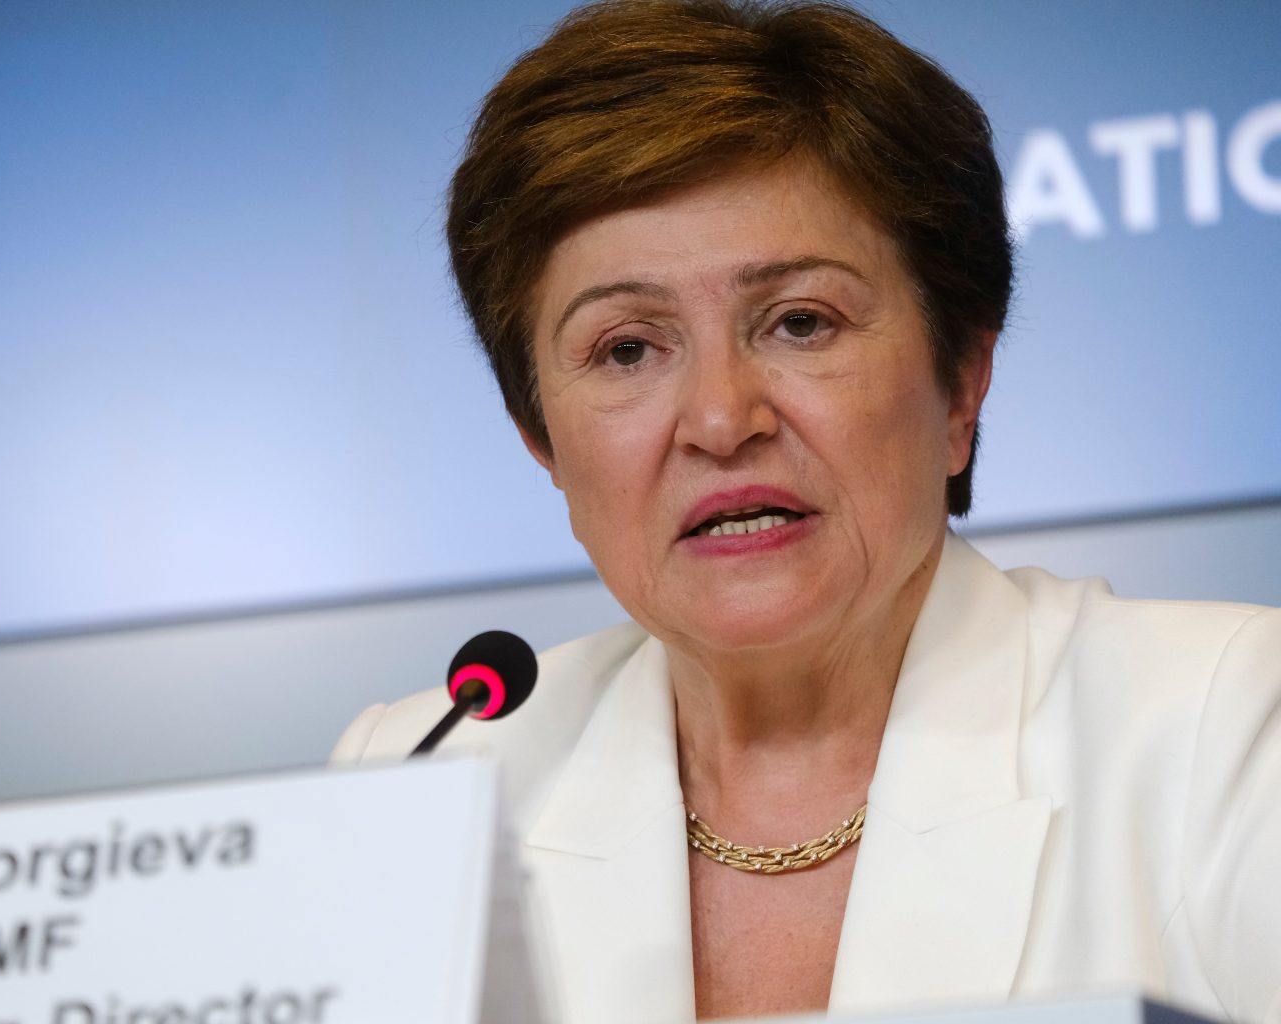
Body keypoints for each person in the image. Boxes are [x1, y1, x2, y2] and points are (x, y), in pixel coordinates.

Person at [332, 2, 1281, 1022]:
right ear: (542, 439)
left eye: (799, 322)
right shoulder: (426, 777)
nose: (720, 418)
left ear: (961, 381)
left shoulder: (1220, 730)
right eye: (626, 349)